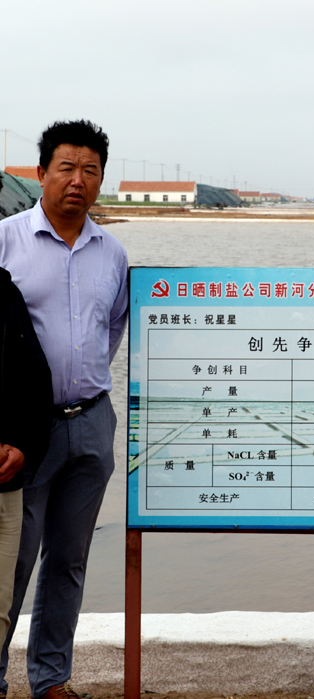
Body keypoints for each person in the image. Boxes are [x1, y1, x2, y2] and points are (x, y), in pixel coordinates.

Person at [0, 120, 128, 699]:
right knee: (10, 561)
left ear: (101, 178)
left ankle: (51, 678)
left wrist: (85, 386)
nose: (78, 180)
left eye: (90, 170)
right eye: (67, 167)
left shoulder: (112, 251)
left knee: (69, 560)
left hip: (92, 423)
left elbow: (112, 329)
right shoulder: (7, 241)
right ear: (41, 173)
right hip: (23, 434)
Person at [0, 268, 52, 648]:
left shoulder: (6, 293)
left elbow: (35, 378)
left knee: (0, 607)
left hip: (6, 482)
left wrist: (24, 446)